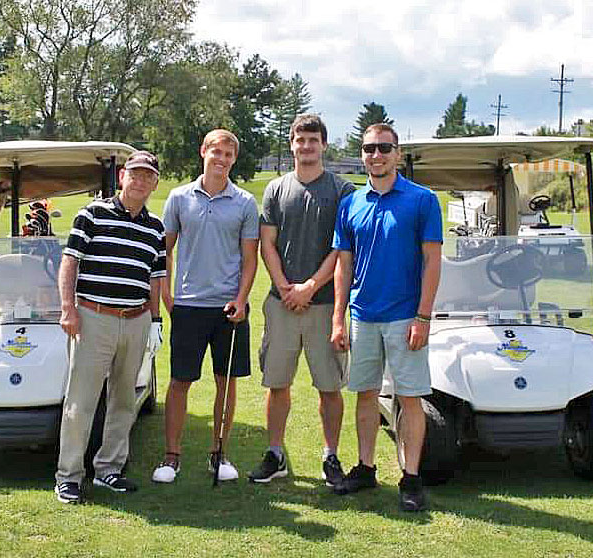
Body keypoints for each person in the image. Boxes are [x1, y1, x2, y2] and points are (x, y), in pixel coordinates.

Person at [331, 123, 442, 512]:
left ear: (397, 153)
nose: (376, 155)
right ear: (362, 155)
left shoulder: (422, 200)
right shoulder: (351, 204)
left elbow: (432, 261)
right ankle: (365, 467)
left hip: (405, 318)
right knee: (365, 394)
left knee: (409, 398)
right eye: (369, 149)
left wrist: (423, 317)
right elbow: (343, 265)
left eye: (384, 148)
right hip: (363, 316)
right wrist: (338, 318)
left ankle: (410, 477)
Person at [54, 151, 165, 504]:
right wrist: (68, 308)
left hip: (135, 321)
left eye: (148, 176)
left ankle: (109, 470)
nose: (141, 181)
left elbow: (155, 279)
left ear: (155, 183)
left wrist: (156, 321)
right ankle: (68, 475)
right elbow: (70, 263)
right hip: (94, 318)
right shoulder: (91, 214)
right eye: (136, 174)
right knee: (81, 401)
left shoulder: (156, 227)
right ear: (122, 177)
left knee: (124, 401)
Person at [248, 114, 354, 485]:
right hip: (282, 304)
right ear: (291, 144)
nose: (306, 146)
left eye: (313, 139)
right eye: (300, 139)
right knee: (278, 383)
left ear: (324, 144)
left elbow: (342, 249)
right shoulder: (276, 189)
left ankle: (331, 457)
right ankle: (275, 454)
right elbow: (268, 244)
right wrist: (286, 287)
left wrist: (310, 286)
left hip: (325, 305)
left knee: (329, 387)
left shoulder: (342, 191)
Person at [152, 129, 259, 483]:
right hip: (188, 305)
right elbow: (163, 252)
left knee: (225, 383)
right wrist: (167, 297)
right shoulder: (180, 197)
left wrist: (242, 300)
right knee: (180, 381)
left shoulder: (244, 202)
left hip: (228, 309)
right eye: (217, 152)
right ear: (204, 152)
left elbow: (249, 259)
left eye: (229, 154)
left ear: (234, 159)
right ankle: (172, 456)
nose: (222, 159)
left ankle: (219, 453)